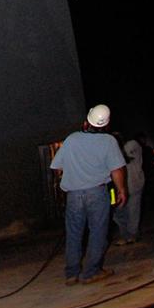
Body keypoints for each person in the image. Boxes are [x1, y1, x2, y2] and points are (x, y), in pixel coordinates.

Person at [51, 104, 127, 285]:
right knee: (98, 233)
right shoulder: (109, 141)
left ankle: (72, 273)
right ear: (106, 125)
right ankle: (91, 272)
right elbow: (117, 169)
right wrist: (122, 190)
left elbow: (57, 166)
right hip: (97, 192)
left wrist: (72, 173)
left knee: (74, 233)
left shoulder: (72, 139)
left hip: (74, 196)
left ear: (86, 123)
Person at [113, 134, 145, 244]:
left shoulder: (131, 145)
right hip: (118, 187)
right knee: (118, 212)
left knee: (133, 210)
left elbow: (127, 159)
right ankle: (125, 234)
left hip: (134, 184)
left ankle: (132, 234)